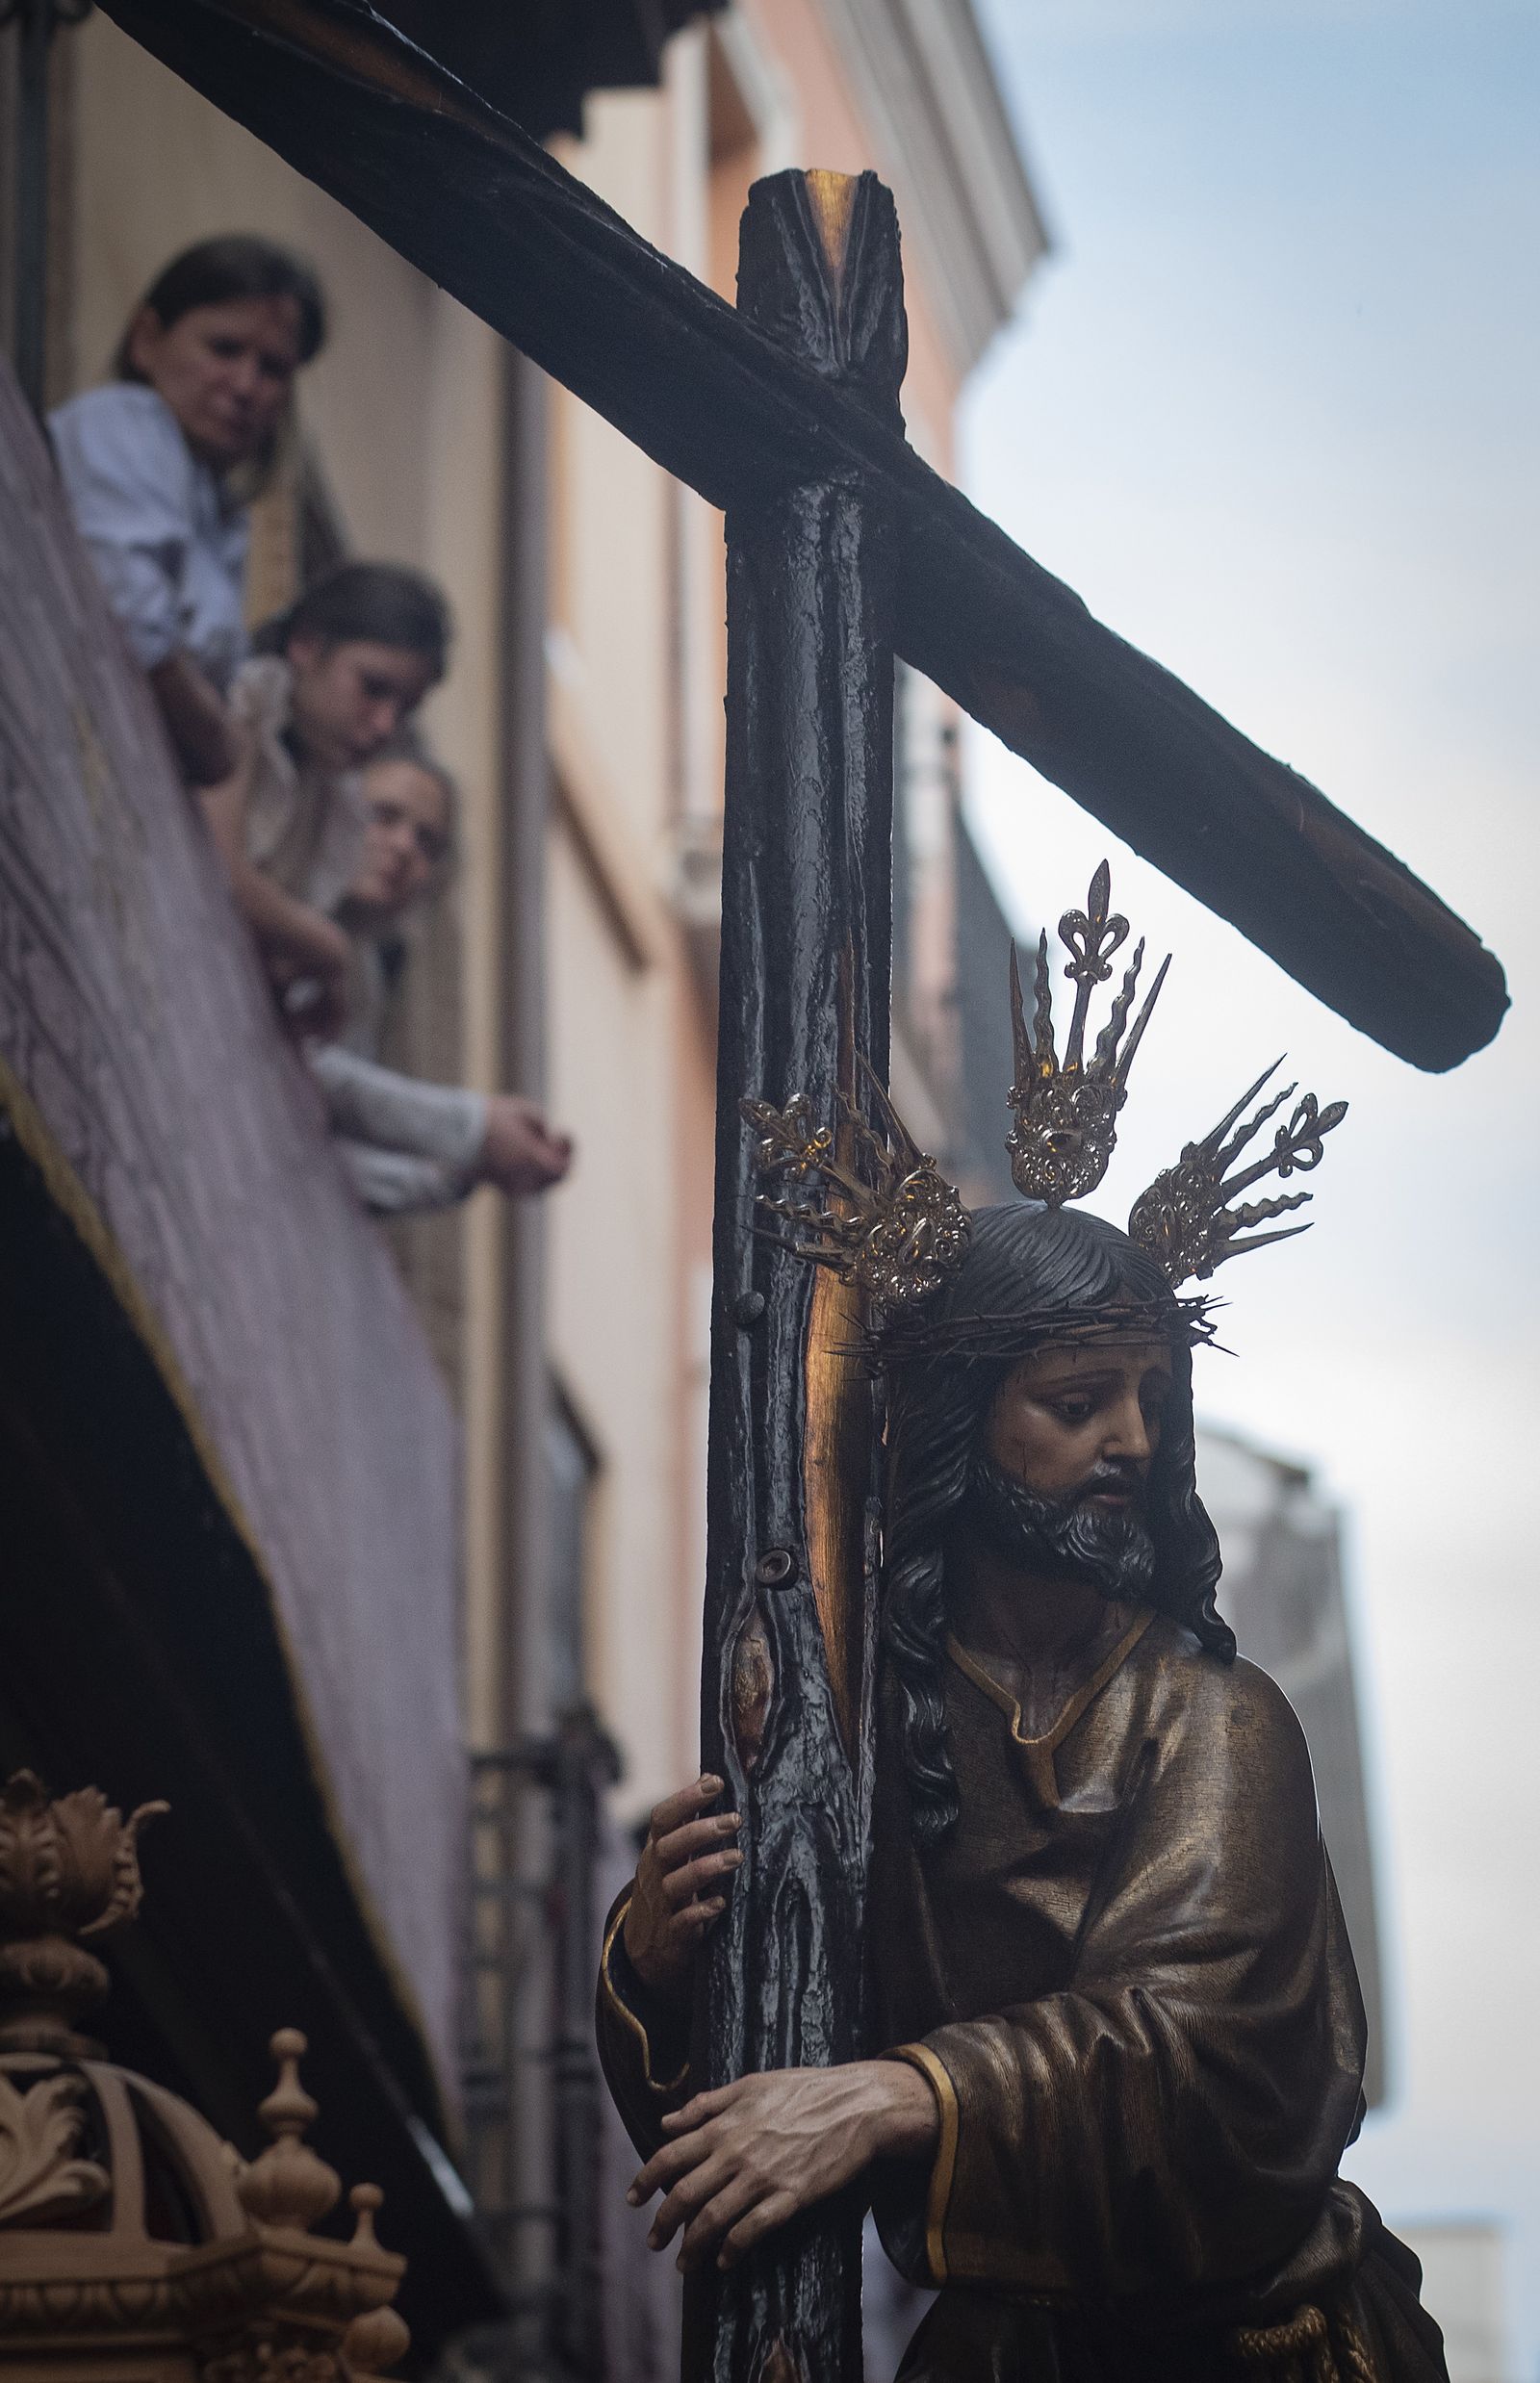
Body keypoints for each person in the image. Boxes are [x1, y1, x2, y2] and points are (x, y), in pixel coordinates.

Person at [595, 870, 1447, 2381]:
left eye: (1152, 1400)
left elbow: (1208, 2052)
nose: (1132, 1441)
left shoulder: (1212, 1720)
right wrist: (659, 1964)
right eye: (1077, 1400)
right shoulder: (853, 1728)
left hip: (1251, 2350)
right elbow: (741, 2129)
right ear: (959, 1422)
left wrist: (898, 2096)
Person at [49, 235, 326, 785]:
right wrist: (219, 744)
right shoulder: (125, 423)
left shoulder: (220, 514)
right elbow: (133, 617)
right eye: (224, 349)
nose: (246, 385)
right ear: (147, 339)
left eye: (273, 369)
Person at [313, 742, 572, 1211]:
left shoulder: (363, 977)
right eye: (384, 816)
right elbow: (300, 1071)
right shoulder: (281, 892)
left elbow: (318, 1155)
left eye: (426, 843)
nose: (403, 847)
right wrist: (476, 1128)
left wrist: (469, 1171)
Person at [203, 561, 449, 1040]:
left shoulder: (328, 799)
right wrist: (326, 947)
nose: (384, 725)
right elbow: (217, 869)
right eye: (373, 688)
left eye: (404, 710)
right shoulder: (247, 699)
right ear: (306, 646)